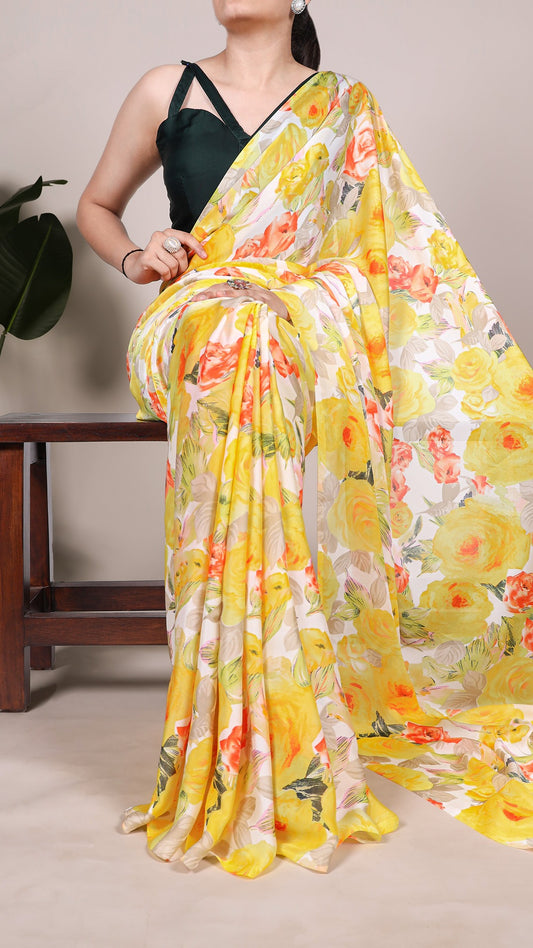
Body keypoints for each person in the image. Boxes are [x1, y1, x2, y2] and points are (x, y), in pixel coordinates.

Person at [77, 0, 533, 879]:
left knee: (264, 341)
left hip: (299, 331)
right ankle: (240, 719)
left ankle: (270, 711)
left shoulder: (342, 105)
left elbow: (389, 252)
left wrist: (311, 300)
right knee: (233, 340)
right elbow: (99, 207)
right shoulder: (164, 89)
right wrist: (140, 259)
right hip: (199, 320)